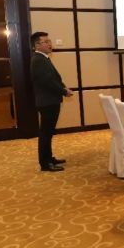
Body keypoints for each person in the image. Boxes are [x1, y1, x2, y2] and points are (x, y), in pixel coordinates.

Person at [30, 31, 73, 172]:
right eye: (46, 42)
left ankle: (49, 158)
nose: (50, 44)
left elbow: (54, 78)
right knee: (46, 133)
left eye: (49, 41)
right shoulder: (38, 60)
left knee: (48, 132)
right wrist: (64, 91)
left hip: (49, 100)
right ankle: (45, 163)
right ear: (37, 45)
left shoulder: (43, 58)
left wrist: (63, 87)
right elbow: (48, 82)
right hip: (47, 101)